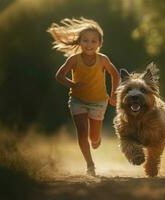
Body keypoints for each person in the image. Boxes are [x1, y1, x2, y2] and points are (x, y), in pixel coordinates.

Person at [47, 17, 120, 176]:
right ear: (79, 42)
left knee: (94, 138)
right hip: (77, 100)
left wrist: (114, 94)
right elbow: (59, 75)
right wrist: (73, 85)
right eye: (85, 40)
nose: (89, 44)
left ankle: (96, 139)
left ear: (100, 43)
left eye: (93, 41)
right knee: (81, 132)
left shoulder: (103, 59)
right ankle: (90, 165)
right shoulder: (73, 59)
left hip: (99, 102)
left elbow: (115, 75)